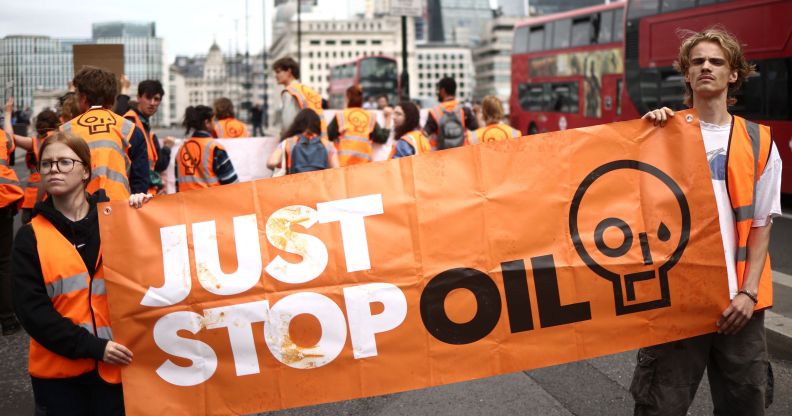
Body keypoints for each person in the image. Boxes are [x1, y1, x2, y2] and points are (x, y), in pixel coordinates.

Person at [630, 27, 782, 415]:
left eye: (716, 61)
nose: (706, 67)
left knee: (744, 406)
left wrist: (748, 294)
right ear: (687, 73)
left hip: (740, 305)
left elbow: (762, 225)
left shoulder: (760, 142)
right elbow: (631, 202)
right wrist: (641, 137)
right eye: (697, 61)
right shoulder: (660, 134)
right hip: (678, 299)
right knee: (660, 406)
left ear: (734, 74)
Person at [12, 131, 152, 414]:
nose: (54, 169)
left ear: (86, 171)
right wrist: (94, 347)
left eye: (65, 162)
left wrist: (145, 215)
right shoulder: (30, 237)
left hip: (115, 371)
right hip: (59, 377)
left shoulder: (116, 221)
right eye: (47, 163)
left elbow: (154, 273)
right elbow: (32, 312)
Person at [62, 66, 150, 200]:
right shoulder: (129, 129)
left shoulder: (66, 130)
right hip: (119, 204)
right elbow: (140, 179)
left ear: (83, 98)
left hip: (79, 205)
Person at [3, 100, 59, 223]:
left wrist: (8, 113)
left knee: (29, 231)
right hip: (55, 196)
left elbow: (9, 138)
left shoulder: (34, 143)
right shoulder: (63, 141)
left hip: (32, 198)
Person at [116, 79, 175, 194]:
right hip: (134, 194)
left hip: (145, 193)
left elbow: (156, 165)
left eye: (156, 99)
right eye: (148, 97)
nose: (152, 103)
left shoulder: (147, 130)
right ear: (138, 97)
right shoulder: (130, 120)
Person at [176, 105, 239, 192]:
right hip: (210, 199)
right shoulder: (215, 148)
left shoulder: (181, 149)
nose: (215, 123)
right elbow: (231, 182)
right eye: (213, 120)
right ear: (207, 123)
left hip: (185, 200)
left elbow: (177, 182)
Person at [327, 85, 391, 166]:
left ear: (347, 98)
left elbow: (327, 136)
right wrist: (388, 118)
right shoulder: (370, 116)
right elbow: (382, 138)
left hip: (343, 165)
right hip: (364, 166)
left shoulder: (341, 115)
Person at [0, 118, 24, 336]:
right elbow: (11, 142)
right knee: (4, 262)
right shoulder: (3, 137)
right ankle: (8, 320)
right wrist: (7, 116)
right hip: (2, 203)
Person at [267, 109, 338, 174]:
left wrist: (283, 166)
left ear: (297, 124)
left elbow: (271, 162)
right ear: (317, 125)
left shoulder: (288, 142)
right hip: (320, 183)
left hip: (295, 183)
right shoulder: (327, 144)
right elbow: (336, 169)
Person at [272, 57, 327, 138]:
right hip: (318, 138)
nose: (276, 76)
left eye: (278, 72)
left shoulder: (289, 92)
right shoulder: (307, 90)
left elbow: (288, 124)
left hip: (300, 141)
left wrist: (283, 139)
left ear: (289, 71)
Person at [423, 77, 478, 150]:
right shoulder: (464, 110)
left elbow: (425, 133)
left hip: (442, 154)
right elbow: (476, 129)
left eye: (438, 90)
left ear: (443, 91)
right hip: (461, 152)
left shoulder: (434, 111)